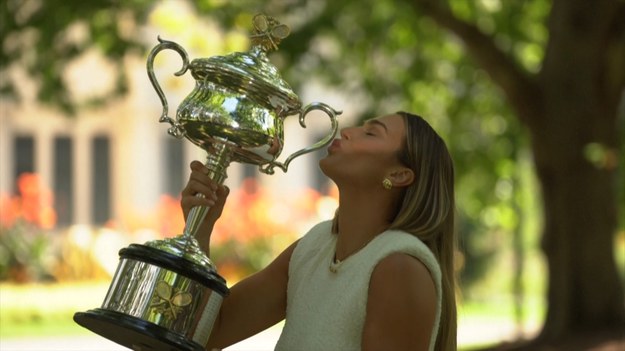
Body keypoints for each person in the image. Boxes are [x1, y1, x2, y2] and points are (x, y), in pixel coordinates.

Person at [181, 111, 457, 351]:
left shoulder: (399, 265)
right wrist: (199, 231)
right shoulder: (315, 247)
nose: (347, 131)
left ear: (398, 175)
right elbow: (210, 330)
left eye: (371, 133)